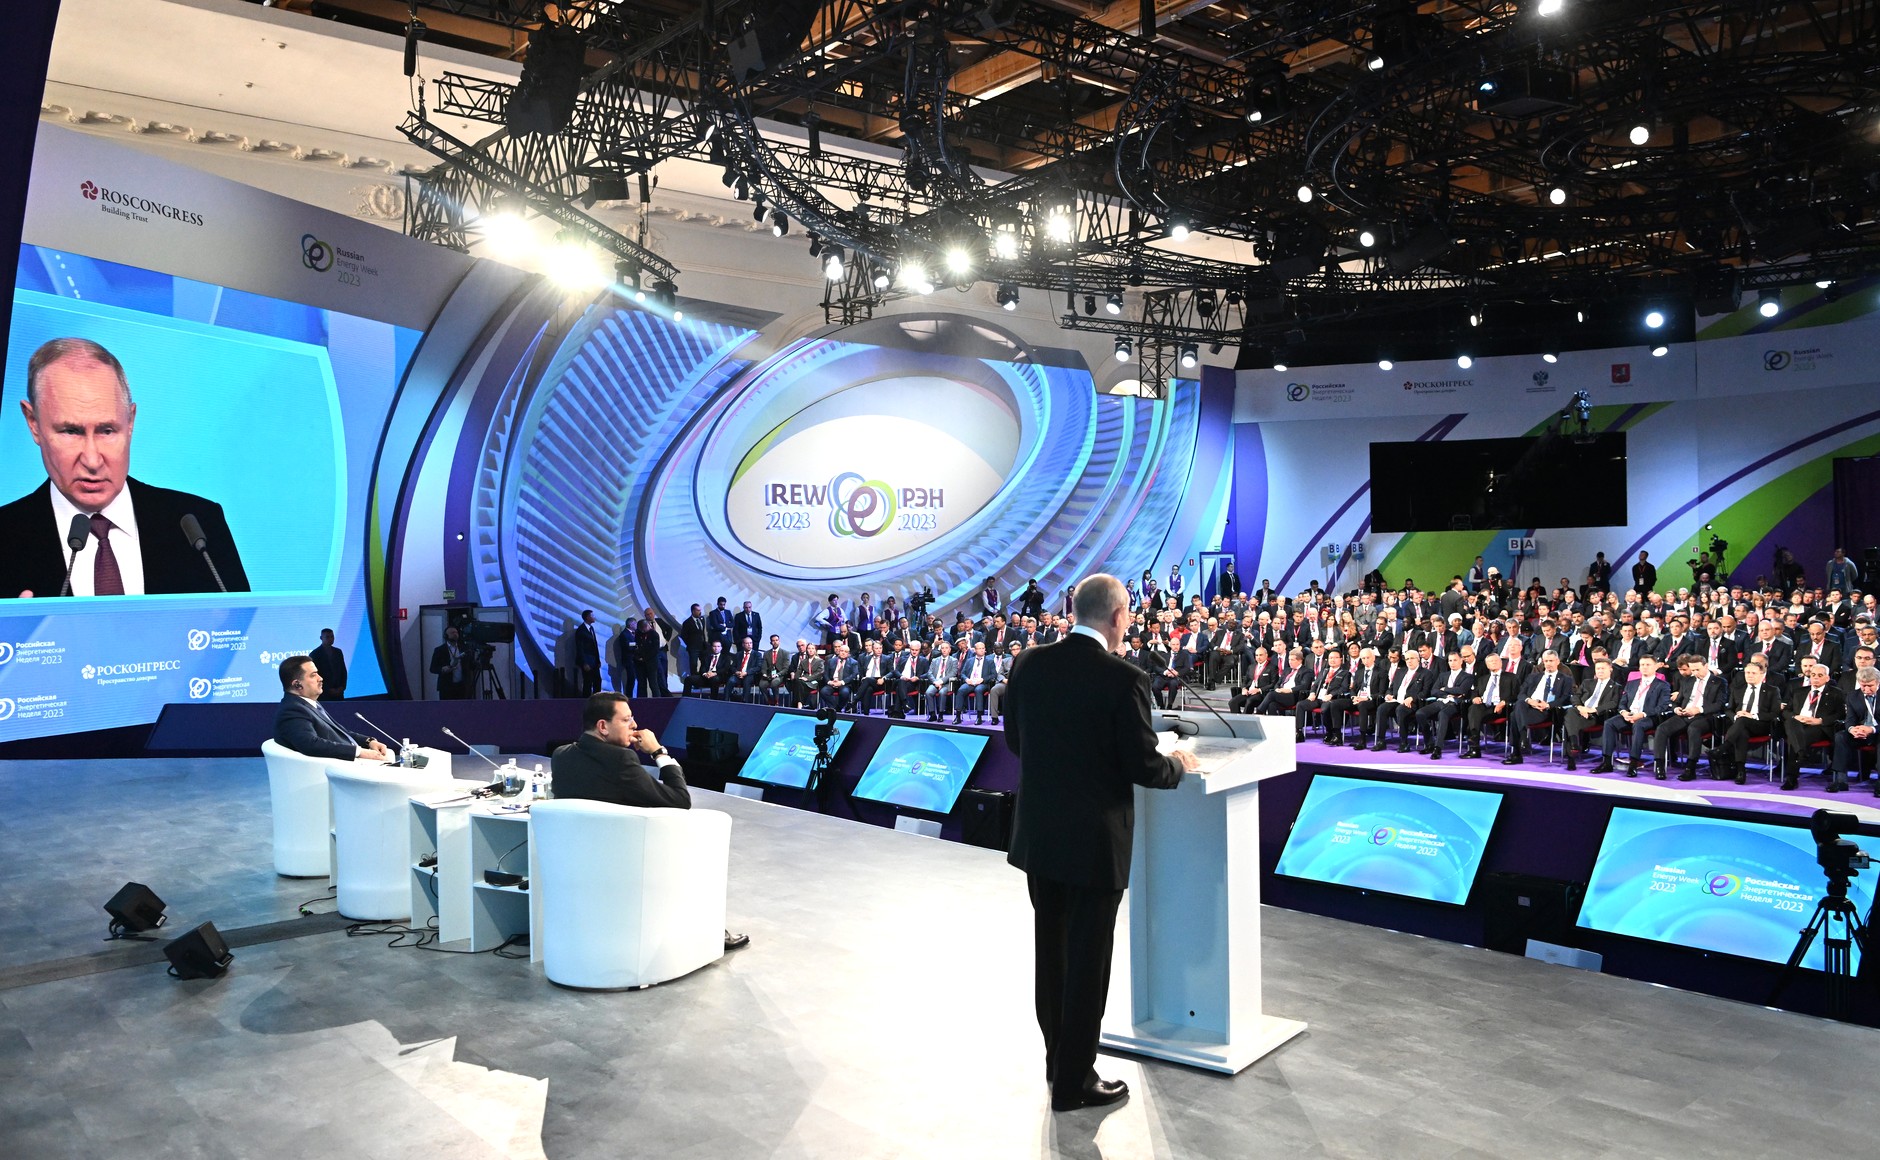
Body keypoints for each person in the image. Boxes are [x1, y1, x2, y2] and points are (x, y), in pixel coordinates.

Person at [1002, 574, 1196, 1113]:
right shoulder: (1124, 678)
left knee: (1053, 954)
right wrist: (1177, 765)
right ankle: (1075, 1081)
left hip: (1040, 835)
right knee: (1089, 962)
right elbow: (1142, 765)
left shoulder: (1029, 663)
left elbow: (1016, 740)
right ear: (1116, 617)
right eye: (1128, 614)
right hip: (1094, 843)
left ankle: (1057, 1062)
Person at [0, 337, 250, 598]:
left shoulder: (199, 525)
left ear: (130, 422)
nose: (92, 461)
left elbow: (245, 623)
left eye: (107, 431)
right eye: (71, 431)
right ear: (33, 423)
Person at [549, 692, 747, 951]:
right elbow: (679, 799)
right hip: (626, 864)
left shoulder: (561, 756)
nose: (634, 725)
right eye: (626, 720)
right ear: (603, 726)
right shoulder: (621, 760)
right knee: (691, 845)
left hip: (575, 865)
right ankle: (708, 931)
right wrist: (658, 751)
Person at [272, 654, 388, 762]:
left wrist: (368, 741)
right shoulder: (292, 710)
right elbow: (310, 744)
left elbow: (340, 732)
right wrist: (359, 752)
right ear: (297, 684)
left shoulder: (308, 704)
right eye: (313, 675)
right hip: (338, 768)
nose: (320, 678)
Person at [1833, 666, 1879, 795]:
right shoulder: (1853, 696)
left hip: (1877, 732)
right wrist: (1852, 729)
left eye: (1870, 686)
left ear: (1878, 682)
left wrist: (1872, 729)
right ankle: (1841, 780)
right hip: (1860, 732)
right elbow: (1850, 719)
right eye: (1863, 686)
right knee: (1841, 736)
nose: (1867, 689)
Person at [431, 624, 470, 700]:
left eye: (456, 632)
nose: (455, 634)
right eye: (452, 633)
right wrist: (442, 669)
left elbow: (470, 665)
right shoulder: (439, 650)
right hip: (446, 687)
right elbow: (432, 668)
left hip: (462, 686)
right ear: (446, 636)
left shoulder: (464, 648)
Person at [310, 628, 348, 702]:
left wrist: (342, 687)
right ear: (321, 638)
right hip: (324, 695)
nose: (330, 639)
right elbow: (315, 675)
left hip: (339, 693)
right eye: (327, 637)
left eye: (332, 636)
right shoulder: (315, 654)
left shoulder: (338, 652)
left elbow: (343, 671)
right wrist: (326, 689)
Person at [573, 609, 602, 696]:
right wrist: (584, 663)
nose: (594, 617)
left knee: (597, 680)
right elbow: (580, 648)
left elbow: (594, 646)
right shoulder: (581, 630)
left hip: (594, 661)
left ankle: (597, 699)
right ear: (587, 617)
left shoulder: (591, 628)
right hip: (587, 661)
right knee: (588, 682)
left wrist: (598, 660)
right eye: (592, 615)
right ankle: (586, 701)